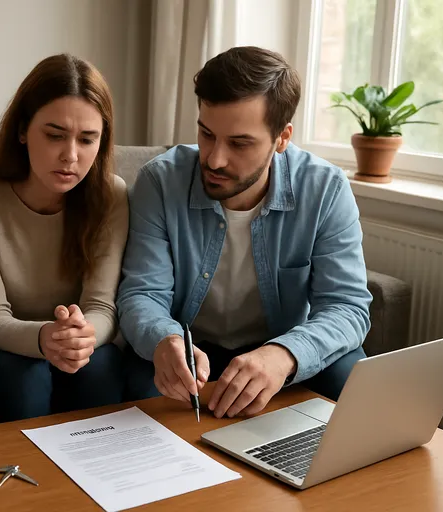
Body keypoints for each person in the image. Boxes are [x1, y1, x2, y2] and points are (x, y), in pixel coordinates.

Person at [117, 46, 372, 419]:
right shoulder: (160, 181)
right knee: (139, 389)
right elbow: (142, 292)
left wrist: (285, 355)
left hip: (278, 348)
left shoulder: (325, 189)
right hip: (191, 350)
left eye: (239, 143)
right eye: (206, 134)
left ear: (282, 138)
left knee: (352, 373)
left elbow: (347, 306)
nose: (215, 159)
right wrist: (164, 340)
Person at [0, 53, 128, 422]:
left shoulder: (111, 195)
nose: (70, 156)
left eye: (87, 139)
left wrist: (80, 335)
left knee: (103, 364)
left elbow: (103, 308)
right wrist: (45, 338)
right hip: (7, 347)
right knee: (24, 376)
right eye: (55, 135)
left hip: (78, 345)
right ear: (22, 130)